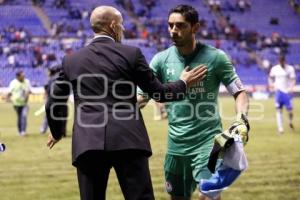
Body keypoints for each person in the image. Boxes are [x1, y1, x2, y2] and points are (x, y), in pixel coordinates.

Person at [45, 5, 207, 200]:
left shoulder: (71, 60)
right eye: (121, 25)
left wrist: (56, 131)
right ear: (113, 25)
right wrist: (183, 83)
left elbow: (54, 101)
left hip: (88, 142)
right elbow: (159, 94)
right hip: (128, 139)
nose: (122, 29)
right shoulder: (131, 54)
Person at [138, 5, 249, 200]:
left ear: (195, 28)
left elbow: (239, 92)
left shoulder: (216, 58)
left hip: (207, 143)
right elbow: (141, 98)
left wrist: (241, 119)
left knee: (208, 195)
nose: (173, 30)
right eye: (170, 25)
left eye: (180, 25)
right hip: (175, 145)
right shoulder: (160, 60)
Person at [268, 54, 296, 134]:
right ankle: (280, 129)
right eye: (280, 62)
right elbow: (270, 77)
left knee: (290, 111)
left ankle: (290, 121)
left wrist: (292, 87)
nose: (281, 63)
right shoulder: (275, 69)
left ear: (284, 61)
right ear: (278, 61)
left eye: (282, 61)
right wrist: (271, 84)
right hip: (278, 92)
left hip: (287, 92)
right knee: (278, 110)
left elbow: (293, 79)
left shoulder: (290, 69)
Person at [40, 64, 67, 136]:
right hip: (62, 101)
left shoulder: (51, 78)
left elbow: (46, 88)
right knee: (62, 116)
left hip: (51, 99)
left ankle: (43, 129)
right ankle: (62, 132)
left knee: (48, 115)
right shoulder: (64, 77)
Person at [7, 70, 32, 136]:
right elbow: (9, 92)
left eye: (24, 75)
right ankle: (20, 131)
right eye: (22, 75)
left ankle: (23, 131)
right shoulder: (13, 83)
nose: (24, 76)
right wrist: (7, 98)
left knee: (24, 116)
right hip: (16, 104)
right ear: (18, 76)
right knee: (19, 117)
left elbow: (29, 90)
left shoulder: (27, 82)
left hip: (24, 104)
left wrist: (27, 94)